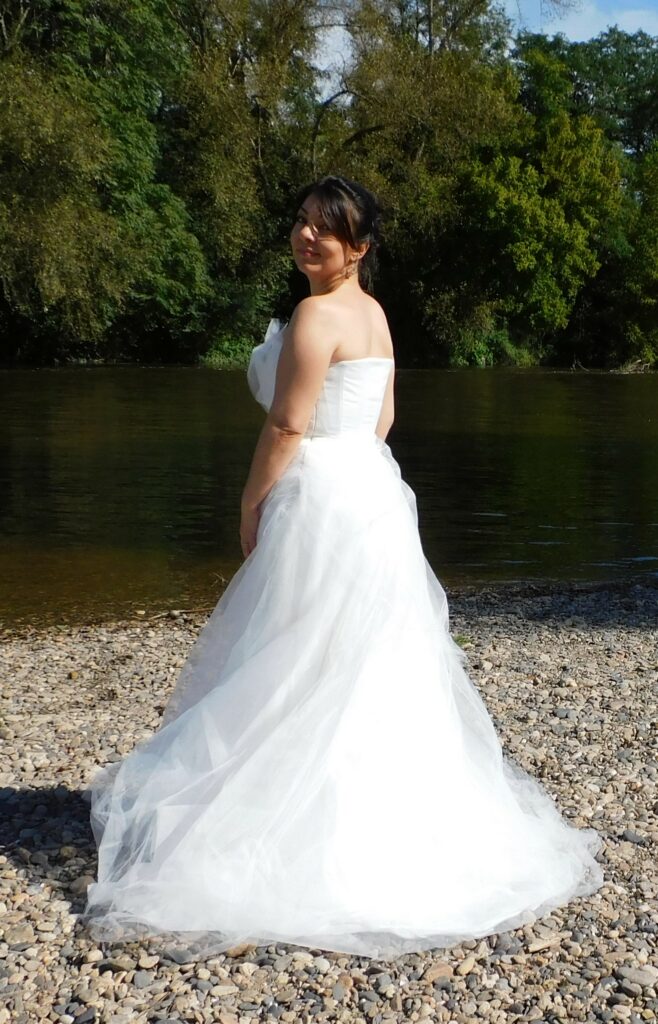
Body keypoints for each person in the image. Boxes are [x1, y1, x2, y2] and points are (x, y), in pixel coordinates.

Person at [82, 175, 603, 961]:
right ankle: (386, 819)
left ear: (357, 247)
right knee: (369, 660)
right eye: (300, 222)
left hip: (321, 498)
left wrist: (253, 504)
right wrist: (349, 455)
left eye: (324, 230)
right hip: (373, 494)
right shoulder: (373, 314)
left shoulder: (317, 315)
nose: (305, 237)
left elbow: (289, 424)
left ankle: (279, 821)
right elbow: (385, 417)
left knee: (294, 657)